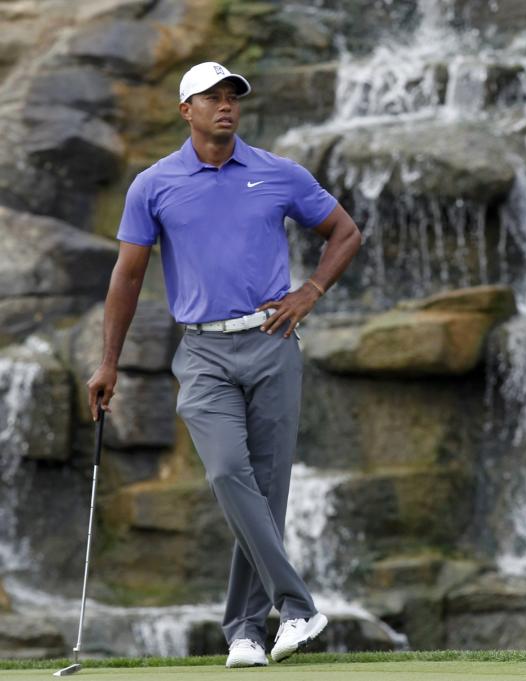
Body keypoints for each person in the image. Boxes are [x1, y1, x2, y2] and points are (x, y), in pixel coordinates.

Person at [86, 61, 362, 668]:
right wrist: (109, 363)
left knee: (265, 491)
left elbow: (344, 232)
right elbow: (127, 276)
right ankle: (296, 608)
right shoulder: (153, 185)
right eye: (211, 96)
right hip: (204, 351)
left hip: (272, 342)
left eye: (232, 95)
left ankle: (243, 632)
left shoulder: (277, 172)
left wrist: (310, 291)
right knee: (227, 474)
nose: (225, 105)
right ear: (186, 109)